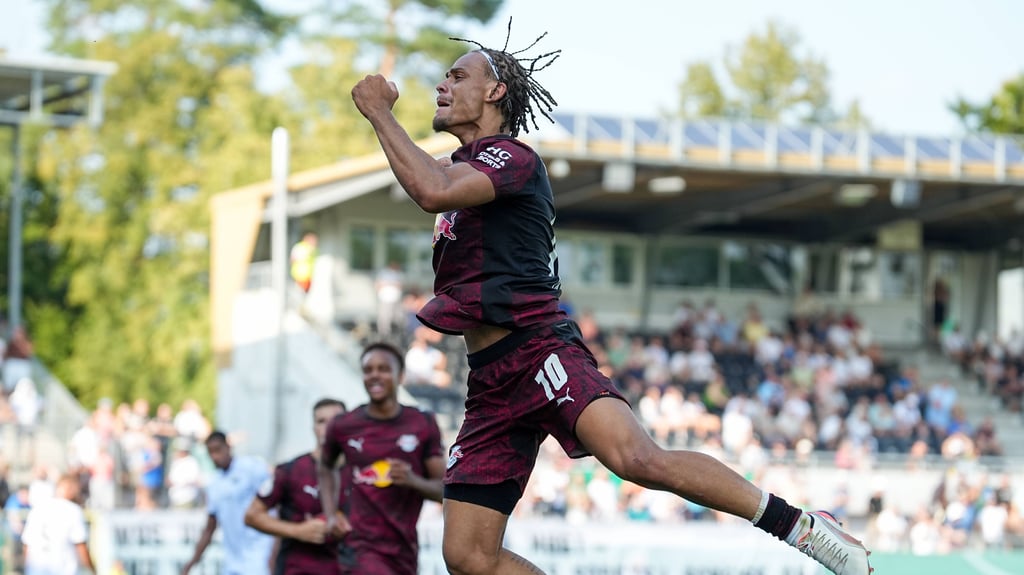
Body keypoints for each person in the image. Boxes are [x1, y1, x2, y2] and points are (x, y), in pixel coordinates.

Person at [347, 26, 872, 575]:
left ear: (496, 91)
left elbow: (431, 189)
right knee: (467, 556)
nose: (441, 85)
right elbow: (432, 180)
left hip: (538, 351)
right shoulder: (458, 168)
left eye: (457, 76)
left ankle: (803, 527)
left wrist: (380, 113)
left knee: (636, 459)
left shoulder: (511, 157)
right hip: (490, 378)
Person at [318, 342, 445, 575]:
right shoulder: (344, 424)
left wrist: (412, 481)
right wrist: (330, 515)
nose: (374, 375)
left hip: (404, 550)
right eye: (368, 370)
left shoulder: (423, 423)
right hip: (359, 546)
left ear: (401, 376)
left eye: (384, 369)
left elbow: (443, 491)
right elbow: (325, 467)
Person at [245, 398, 355, 575]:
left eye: (335, 420)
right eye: (321, 421)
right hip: (298, 568)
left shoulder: (359, 471)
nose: (328, 427)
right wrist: (298, 531)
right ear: (313, 428)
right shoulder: (290, 470)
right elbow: (252, 516)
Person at [182, 431, 275, 575]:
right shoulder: (213, 484)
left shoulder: (252, 468)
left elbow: (275, 505)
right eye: (210, 452)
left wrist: (276, 552)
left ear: (228, 447)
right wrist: (191, 564)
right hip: (233, 561)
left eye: (218, 450)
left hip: (260, 554)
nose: (215, 456)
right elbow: (210, 527)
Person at [21, 473, 95, 575]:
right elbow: (80, 546)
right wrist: (93, 571)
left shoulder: (37, 509)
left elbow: (27, 546)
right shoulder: (73, 510)